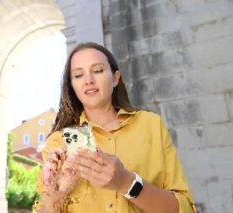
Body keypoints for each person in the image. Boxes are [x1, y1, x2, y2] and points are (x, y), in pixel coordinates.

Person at [32, 42, 196, 213]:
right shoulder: (58, 143)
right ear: (72, 86)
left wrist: (125, 182)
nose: (89, 80)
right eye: (79, 75)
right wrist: (57, 192)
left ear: (115, 78)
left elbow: (184, 209)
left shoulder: (151, 125)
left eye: (97, 71)